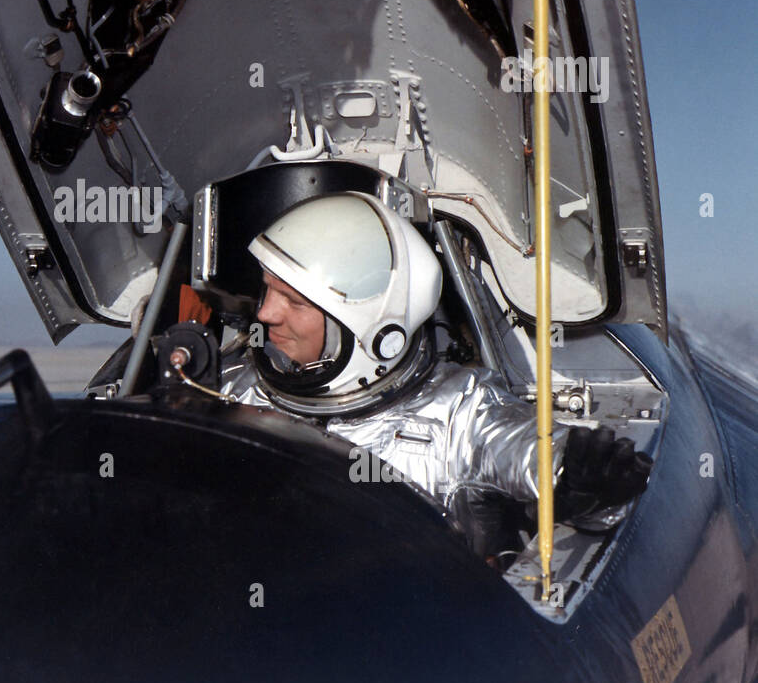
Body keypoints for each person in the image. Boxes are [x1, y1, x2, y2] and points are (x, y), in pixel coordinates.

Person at [218, 192, 652, 552]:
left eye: (294, 302)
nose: (265, 312)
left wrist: (580, 473)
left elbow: (523, 451)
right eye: (267, 289)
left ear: (375, 333)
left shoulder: (456, 418)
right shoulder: (229, 386)